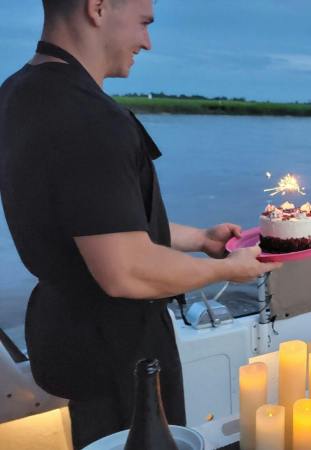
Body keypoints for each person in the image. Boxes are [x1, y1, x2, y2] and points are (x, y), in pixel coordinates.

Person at [0, 1, 280, 447]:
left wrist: (203, 240)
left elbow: (105, 228)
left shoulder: (18, 94)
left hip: (72, 339)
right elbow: (125, 269)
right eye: (145, 22)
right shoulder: (88, 117)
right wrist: (228, 269)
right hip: (119, 358)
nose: (147, 42)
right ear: (98, 7)